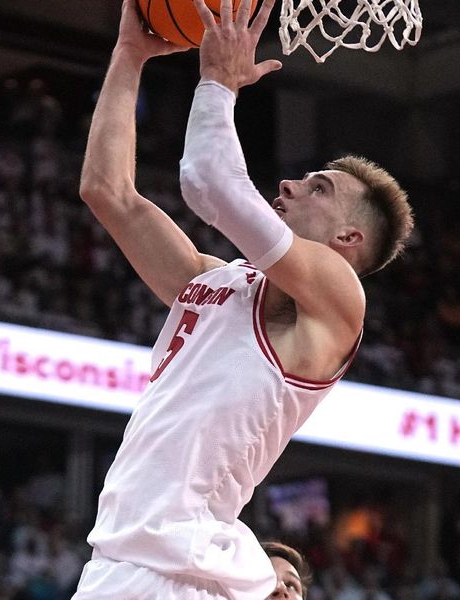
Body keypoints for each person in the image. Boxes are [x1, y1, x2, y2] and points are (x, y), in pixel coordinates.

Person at [72, 0, 414, 599]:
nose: (288, 184)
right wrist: (129, 56)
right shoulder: (221, 282)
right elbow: (108, 193)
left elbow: (210, 182)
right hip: (127, 563)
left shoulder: (338, 300)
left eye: (319, 188)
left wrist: (218, 84)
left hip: (179, 572)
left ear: (348, 239)